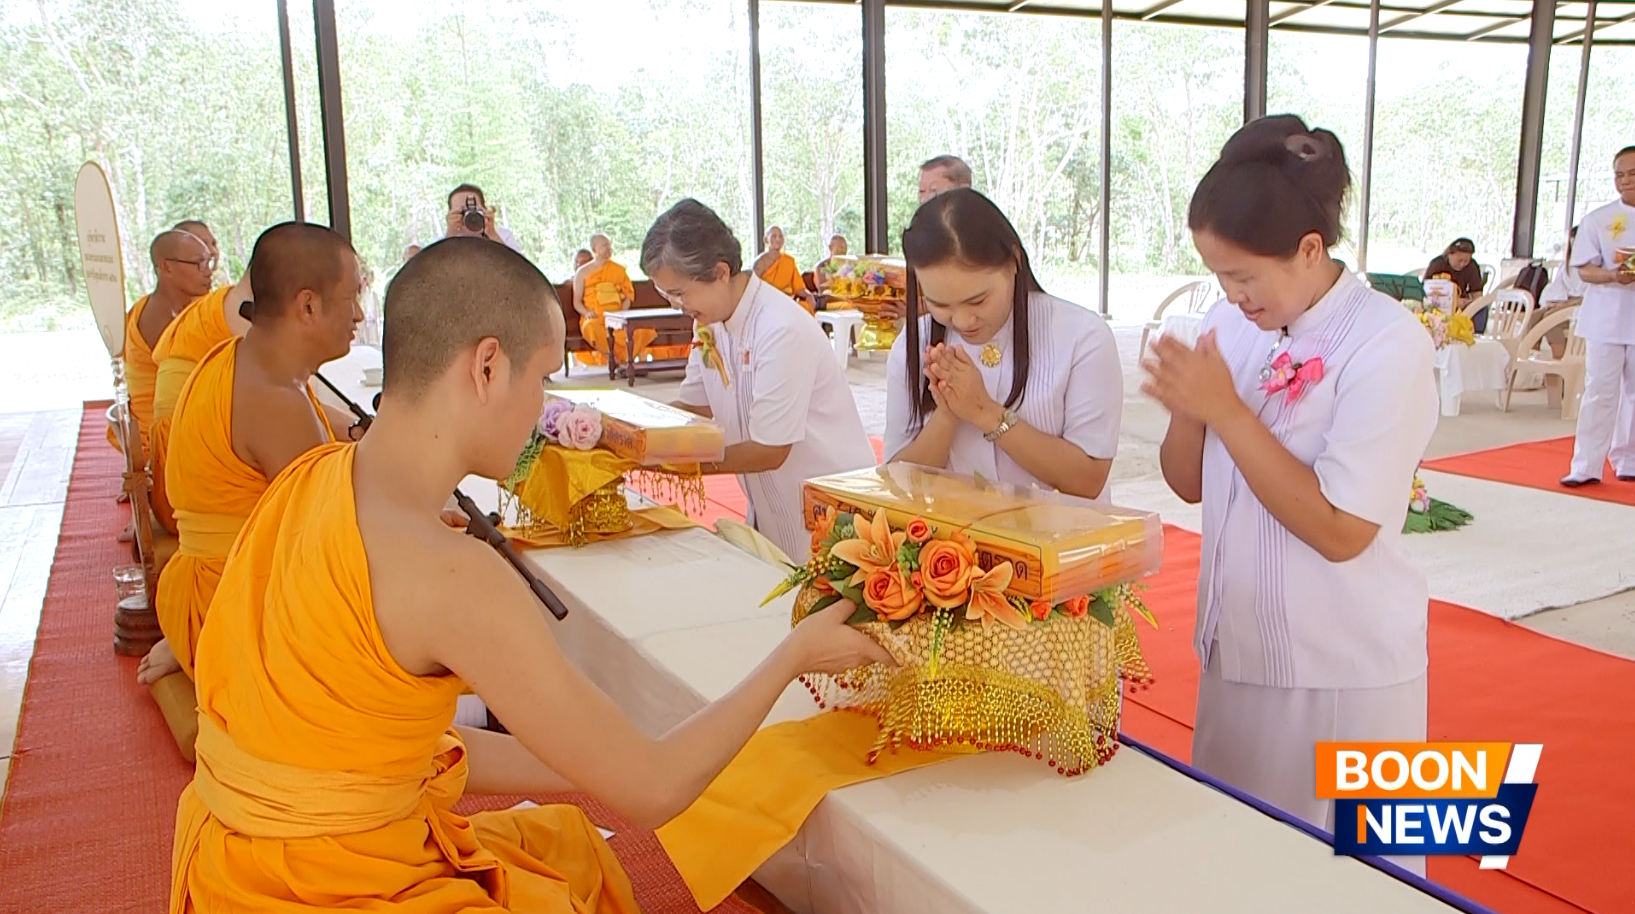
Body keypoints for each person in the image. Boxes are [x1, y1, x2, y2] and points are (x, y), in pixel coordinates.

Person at [166, 235, 890, 910]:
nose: (543, 405)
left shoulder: (308, 479)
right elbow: (654, 789)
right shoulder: (452, 574)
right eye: (542, 377)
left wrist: (589, 753)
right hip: (331, 883)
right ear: (487, 367)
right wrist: (792, 655)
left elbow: (398, 749)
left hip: (229, 858)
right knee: (564, 871)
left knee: (565, 841)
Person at [1144, 116, 1436, 874]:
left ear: (1310, 249)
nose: (1230, 295)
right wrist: (1188, 406)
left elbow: (1343, 531)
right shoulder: (1230, 324)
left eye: (1244, 276)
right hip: (1235, 647)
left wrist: (1227, 410)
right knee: (1236, 866)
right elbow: (1188, 482)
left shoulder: (1387, 342)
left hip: (1344, 666)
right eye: (1217, 276)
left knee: (1359, 879)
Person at [135, 225, 359, 759]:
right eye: (353, 297)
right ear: (308, 306)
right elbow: (331, 539)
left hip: (203, 591)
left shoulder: (238, 357)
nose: (358, 315)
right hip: (234, 614)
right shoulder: (273, 398)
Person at [645, 200, 876, 560]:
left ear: (720, 272)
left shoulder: (779, 327)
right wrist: (630, 432)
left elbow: (770, 450)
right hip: (770, 508)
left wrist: (676, 465)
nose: (676, 305)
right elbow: (693, 406)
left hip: (831, 515)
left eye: (679, 293)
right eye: (666, 295)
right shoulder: (709, 323)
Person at [886, 189, 1121, 503]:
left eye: (978, 300)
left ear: (1014, 261)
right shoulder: (914, 344)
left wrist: (986, 413)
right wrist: (947, 415)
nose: (963, 320)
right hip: (956, 531)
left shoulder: (1082, 336)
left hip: (1062, 533)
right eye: (940, 305)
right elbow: (896, 482)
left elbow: (1087, 480)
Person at [147, 273, 255, 534]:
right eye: (198, 263)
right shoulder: (246, 323)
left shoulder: (216, 308)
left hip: (176, 479)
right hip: (186, 497)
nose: (208, 269)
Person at [1561, 146, 1635, 487]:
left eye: (1632, 174)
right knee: (1599, 391)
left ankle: (1628, 460)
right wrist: (1613, 276)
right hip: (1606, 318)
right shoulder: (1599, 219)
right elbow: (1584, 270)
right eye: (1620, 175)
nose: (1626, 181)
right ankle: (1586, 465)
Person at [125, 231, 215, 449]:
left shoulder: (183, 308)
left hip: (180, 421)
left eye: (209, 261)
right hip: (162, 437)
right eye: (198, 263)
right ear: (166, 268)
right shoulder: (158, 317)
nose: (208, 271)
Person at [572, 233, 650, 367]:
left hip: (616, 318)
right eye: (604, 246)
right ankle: (613, 359)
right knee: (590, 327)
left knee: (642, 331)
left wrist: (622, 313)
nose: (609, 248)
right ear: (595, 249)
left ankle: (623, 360)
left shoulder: (618, 270)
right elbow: (576, 302)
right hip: (595, 317)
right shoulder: (582, 273)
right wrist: (586, 313)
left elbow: (628, 296)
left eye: (609, 245)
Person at [1424, 237, 1487, 332]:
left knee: (1482, 307)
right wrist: (1452, 302)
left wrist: (1470, 302)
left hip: (1461, 305)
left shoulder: (1472, 266)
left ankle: (1476, 334)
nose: (1462, 264)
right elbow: (1426, 291)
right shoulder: (1437, 264)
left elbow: (1477, 294)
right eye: (1459, 260)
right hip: (1438, 303)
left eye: (1466, 261)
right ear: (1450, 255)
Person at [752, 226, 815, 313]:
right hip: (767, 303)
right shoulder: (760, 262)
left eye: (780, 236)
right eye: (774, 236)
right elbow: (754, 289)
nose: (778, 239)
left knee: (805, 307)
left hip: (786, 301)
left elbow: (799, 288)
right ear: (766, 240)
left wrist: (809, 295)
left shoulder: (789, 261)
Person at [442, 183, 522, 252]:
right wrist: (450, 236)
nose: (469, 215)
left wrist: (492, 234)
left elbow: (518, 264)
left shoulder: (504, 236)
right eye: (462, 212)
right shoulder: (440, 243)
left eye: (473, 209)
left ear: (485, 210)